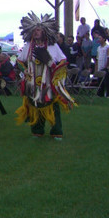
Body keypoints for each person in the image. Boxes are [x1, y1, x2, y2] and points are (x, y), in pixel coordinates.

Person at [15, 12, 76, 141]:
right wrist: (25, 70)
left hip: (48, 83)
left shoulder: (53, 46)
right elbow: (19, 61)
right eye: (34, 30)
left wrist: (51, 64)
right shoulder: (28, 46)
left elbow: (63, 61)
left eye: (38, 30)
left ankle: (56, 131)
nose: (36, 32)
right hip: (33, 83)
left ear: (44, 31)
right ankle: (37, 131)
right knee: (35, 106)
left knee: (53, 106)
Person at [95, 33, 109, 98]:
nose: (99, 40)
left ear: (104, 39)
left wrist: (107, 66)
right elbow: (97, 58)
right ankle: (100, 93)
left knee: (107, 81)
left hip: (105, 67)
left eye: (100, 38)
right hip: (100, 66)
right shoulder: (98, 48)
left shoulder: (107, 47)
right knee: (100, 81)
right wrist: (96, 67)